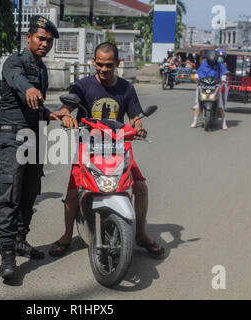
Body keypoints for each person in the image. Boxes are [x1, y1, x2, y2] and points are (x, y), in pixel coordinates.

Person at [49, 42, 166, 259]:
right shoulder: (83, 85)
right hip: (88, 146)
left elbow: (135, 117)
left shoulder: (126, 88)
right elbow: (68, 106)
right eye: (100, 64)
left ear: (117, 64)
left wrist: (139, 128)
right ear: (94, 62)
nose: (104, 69)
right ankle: (66, 236)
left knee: (140, 187)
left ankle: (140, 233)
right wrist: (65, 115)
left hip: (118, 147)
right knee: (73, 192)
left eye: (109, 65)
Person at [0, 15, 60, 280]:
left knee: (31, 191)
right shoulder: (14, 62)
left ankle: (20, 239)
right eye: (41, 38)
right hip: (12, 136)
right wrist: (30, 88)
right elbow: (19, 81)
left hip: (34, 135)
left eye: (49, 41)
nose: (45, 43)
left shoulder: (42, 68)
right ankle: (7, 253)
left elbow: (36, 105)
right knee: (10, 194)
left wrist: (49, 113)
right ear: (29, 38)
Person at [191, 50, 228, 130]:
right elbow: (198, 72)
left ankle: (224, 123)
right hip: (204, 85)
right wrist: (196, 77)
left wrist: (223, 78)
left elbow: (224, 73)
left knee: (220, 105)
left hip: (215, 86)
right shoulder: (203, 64)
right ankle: (195, 121)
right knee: (198, 104)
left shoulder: (219, 65)